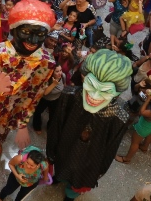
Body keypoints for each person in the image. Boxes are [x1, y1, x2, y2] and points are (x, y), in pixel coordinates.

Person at [0, 0, 60, 156]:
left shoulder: (46, 63)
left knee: (4, 131)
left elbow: (35, 98)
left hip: (14, 110)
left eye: (40, 35)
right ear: (13, 30)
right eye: (26, 32)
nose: (33, 41)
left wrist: (23, 125)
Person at [46, 49, 133, 199]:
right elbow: (57, 126)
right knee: (61, 168)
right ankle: (59, 178)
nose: (94, 96)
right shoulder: (69, 95)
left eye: (104, 91)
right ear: (83, 77)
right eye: (91, 86)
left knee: (77, 182)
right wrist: (50, 153)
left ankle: (70, 195)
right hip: (65, 148)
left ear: (117, 93)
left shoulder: (119, 115)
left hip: (90, 160)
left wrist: (100, 170)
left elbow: (112, 146)